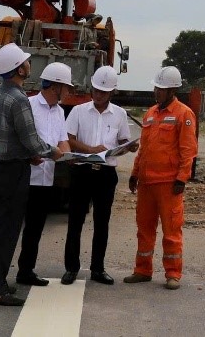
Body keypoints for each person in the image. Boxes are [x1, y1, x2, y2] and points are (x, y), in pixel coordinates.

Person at [0, 44, 66, 307]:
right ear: (19, 69)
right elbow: (31, 140)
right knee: (6, 230)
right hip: (12, 171)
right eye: (26, 62)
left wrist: (29, 153)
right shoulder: (18, 98)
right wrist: (54, 153)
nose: (29, 64)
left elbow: (4, 135)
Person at [125, 66, 198, 291]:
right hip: (147, 183)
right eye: (156, 87)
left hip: (168, 184)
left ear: (172, 90)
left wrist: (181, 179)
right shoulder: (150, 114)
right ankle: (142, 270)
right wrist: (135, 173)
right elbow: (144, 149)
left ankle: (173, 273)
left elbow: (188, 150)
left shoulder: (184, 114)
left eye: (161, 88)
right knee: (144, 229)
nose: (157, 91)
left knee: (171, 230)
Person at [62, 65, 136, 285]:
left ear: (112, 92)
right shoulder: (78, 111)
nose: (98, 94)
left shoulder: (120, 114)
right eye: (95, 90)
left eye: (103, 92)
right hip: (82, 171)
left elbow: (123, 141)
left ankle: (98, 269)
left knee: (102, 222)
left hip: (106, 174)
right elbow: (69, 138)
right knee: (75, 221)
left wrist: (129, 147)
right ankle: (71, 268)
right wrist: (90, 150)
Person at [14, 62, 73, 289]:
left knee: (35, 228)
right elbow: (18, 138)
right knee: (12, 227)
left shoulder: (59, 112)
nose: (67, 92)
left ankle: (25, 270)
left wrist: (67, 155)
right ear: (55, 87)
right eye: (65, 87)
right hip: (23, 177)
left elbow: (63, 140)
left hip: (45, 179)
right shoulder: (27, 105)